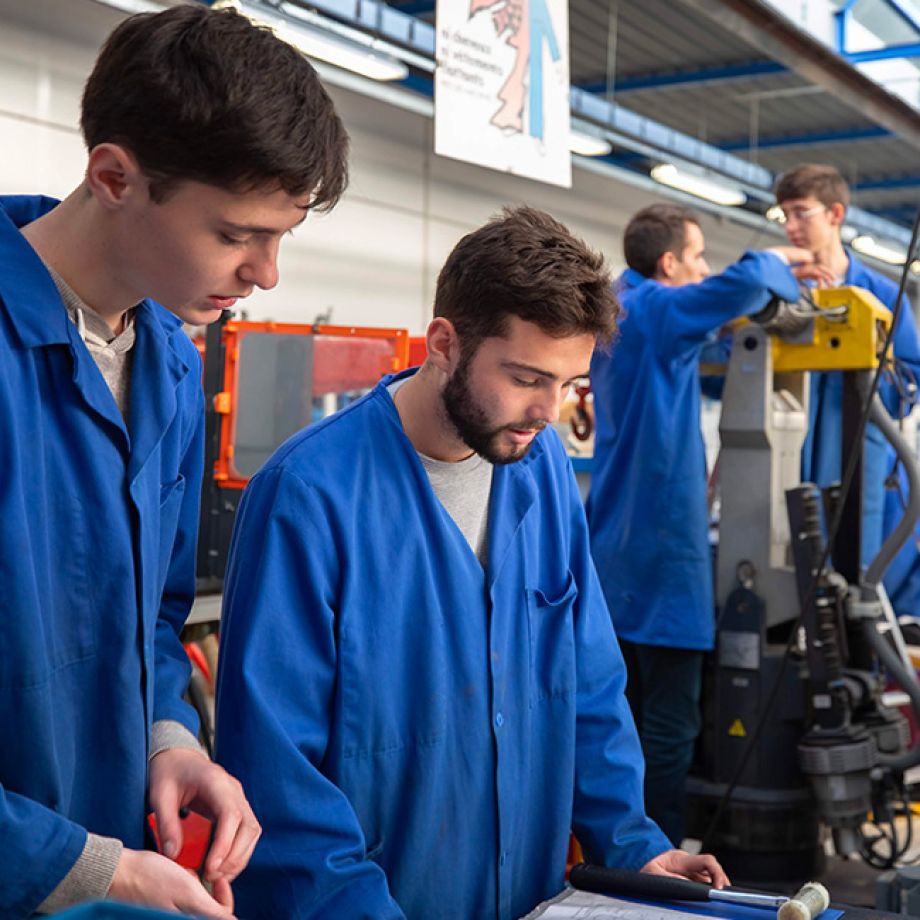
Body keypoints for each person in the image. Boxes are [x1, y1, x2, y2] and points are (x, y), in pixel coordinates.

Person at [214, 206, 728, 919]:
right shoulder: (308, 496)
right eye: (525, 378)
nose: (548, 410)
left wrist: (633, 844)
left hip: (528, 898)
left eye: (569, 384)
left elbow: (588, 683)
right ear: (445, 344)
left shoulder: (540, 466)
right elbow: (277, 777)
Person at [0, 5, 348, 916]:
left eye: (282, 238)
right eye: (237, 235)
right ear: (114, 176)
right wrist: (83, 867)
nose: (266, 273)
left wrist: (169, 741)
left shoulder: (170, 363)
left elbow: (155, 616)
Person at [585, 203, 832, 846]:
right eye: (696, 259)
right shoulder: (660, 311)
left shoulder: (620, 306)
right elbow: (745, 283)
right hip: (665, 553)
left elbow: (707, 341)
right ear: (668, 265)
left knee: (619, 718)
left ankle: (611, 847)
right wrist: (786, 261)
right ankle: (654, 859)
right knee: (670, 728)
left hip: (613, 549)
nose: (703, 270)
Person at [773, 163, 920, 577]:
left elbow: (913, 377)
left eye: (802, 212)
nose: (791, 226)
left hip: (859, 451)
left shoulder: (883, 296)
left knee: (858, 569)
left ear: (835, 214)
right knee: (781, 566)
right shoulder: (777, 290)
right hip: (785, 448)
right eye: (784, 215)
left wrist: (864, 380)